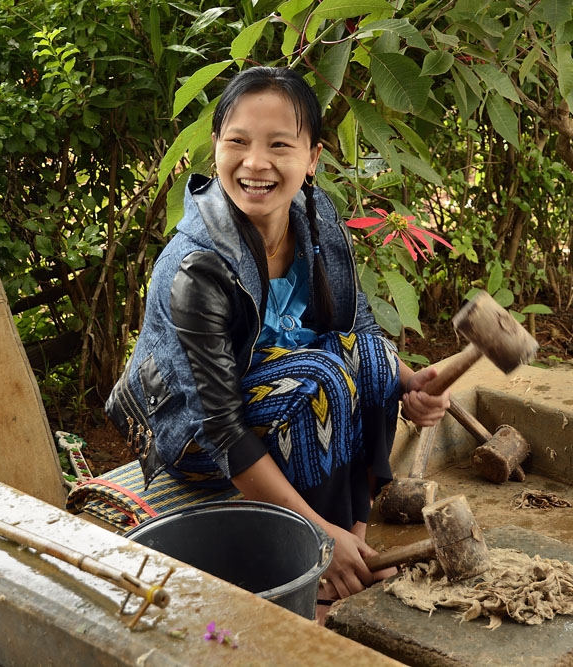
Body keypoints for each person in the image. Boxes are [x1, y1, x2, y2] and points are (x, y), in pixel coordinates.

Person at [105, 66, 450, 607]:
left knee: (373, 357)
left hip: (279, 393)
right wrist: (316, 531)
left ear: (312, 158)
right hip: (196, 436)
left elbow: (356, 326)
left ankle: (352, 539)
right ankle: (316, 553)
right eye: (238, 142)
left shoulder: (314, 219)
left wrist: (412, 384)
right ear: (216, 147)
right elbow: (220, 429)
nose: (255, 163)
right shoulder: (196, 268)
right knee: (323, 377)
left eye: (279, 145)